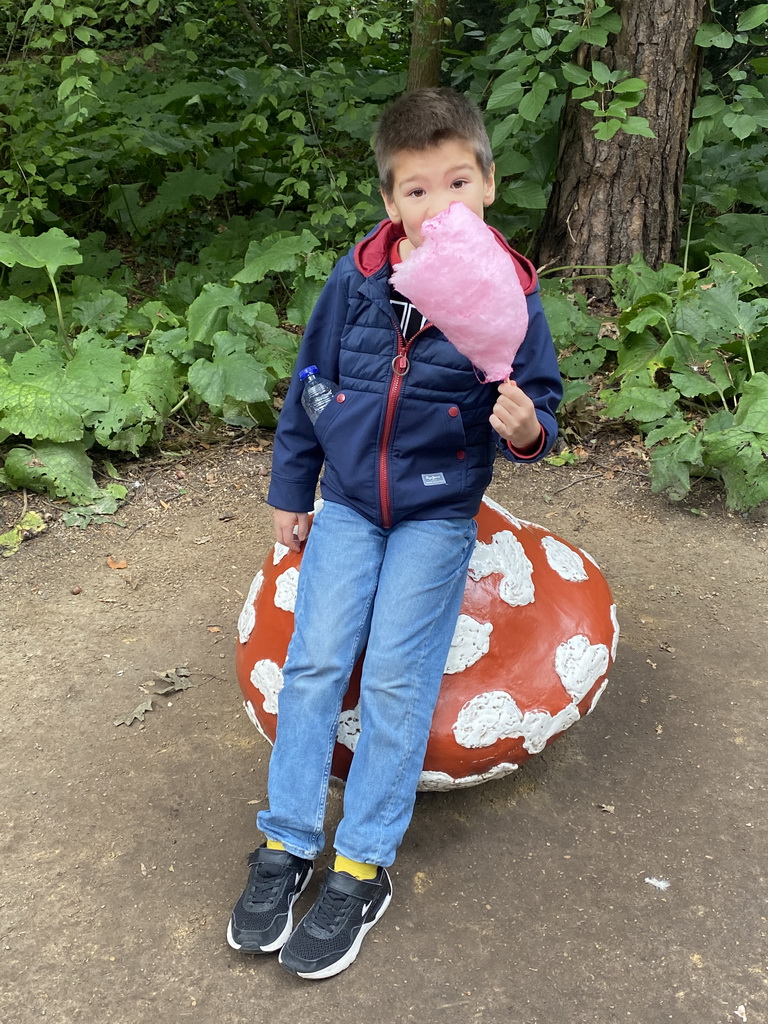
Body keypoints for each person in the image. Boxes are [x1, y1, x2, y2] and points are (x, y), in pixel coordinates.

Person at [227, 87, 563, 980]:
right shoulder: (358, 278)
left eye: (458, 182)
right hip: (345, 500)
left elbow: (544, 415)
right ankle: (287, 840)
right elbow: (311, 381)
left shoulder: (513, 293)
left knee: (397, 681)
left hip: (438, 507)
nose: (438, 205)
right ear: (390, 203)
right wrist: (289, 486)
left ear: (489, 185)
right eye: (417, 190)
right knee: (316, 661)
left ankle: (361, 862)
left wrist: (526, 427)